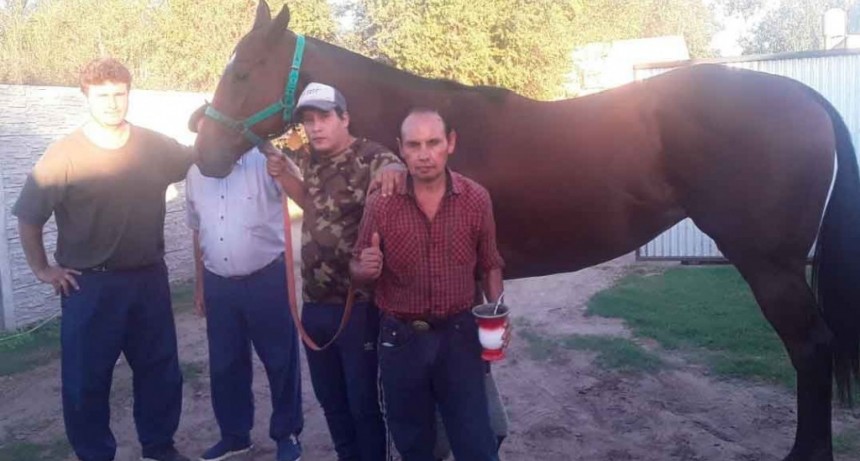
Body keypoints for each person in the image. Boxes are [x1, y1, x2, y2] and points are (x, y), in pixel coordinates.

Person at [12, 57, 192, 461]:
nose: (112, 103)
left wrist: (227, 125)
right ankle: (94, 454)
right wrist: (43, 269)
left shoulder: (155, 145)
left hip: (148, 279)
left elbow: (198, 155)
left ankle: (159, 448)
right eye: (102, 96)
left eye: (119, 94)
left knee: (160, 371)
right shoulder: (64, 156)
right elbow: (28, 216)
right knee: (86, 382)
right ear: (86, 96)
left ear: (129, 93)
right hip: (90, 287)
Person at [351, 108, 506, 461]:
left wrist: (497, 316)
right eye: (414, 145)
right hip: (401, 341)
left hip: (459, 335)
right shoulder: (382, 202)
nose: (424, 154)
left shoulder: (476, 198)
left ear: (450, 143)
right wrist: (364, 268)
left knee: (475, 440)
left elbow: (491, 264)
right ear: (400, 149)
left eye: (433, 143)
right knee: (414, 443)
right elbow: (358, 265)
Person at [266, 82, 405, 460]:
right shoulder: (310, 159)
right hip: (315, 306)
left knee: (363, 403)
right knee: (331, 401)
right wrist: (283, 174)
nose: (315, 127)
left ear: (345, 118)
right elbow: (309, 203)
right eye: (309, 120)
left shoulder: (370, 155)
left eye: (324, 117)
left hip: (358, 307)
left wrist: (395, 168)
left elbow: (394, 166)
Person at [185, 106, 303, 461]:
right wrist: (201, 284)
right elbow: (197, 232)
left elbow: (301, 191)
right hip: (219, 285)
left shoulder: (262, 161)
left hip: (266, 278)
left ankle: (287, 436)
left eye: (213, 131)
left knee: (280, 361)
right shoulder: (193, 174)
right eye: (201, 132)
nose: (208, 139)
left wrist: (277, 157)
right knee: (225, 365)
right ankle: (236, 437)